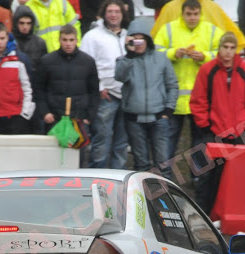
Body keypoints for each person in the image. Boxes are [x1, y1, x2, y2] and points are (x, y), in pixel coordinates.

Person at [190, 31, 245, 214]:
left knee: (240, 178)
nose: (228, 52)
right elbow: (198, 100)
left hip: (240, 133)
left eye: (232, 48)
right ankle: (205, 216)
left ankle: (235, 214)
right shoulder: (207, 70)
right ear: (219, 48)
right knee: (207, 178)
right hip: (213, 132)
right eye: (225, 47)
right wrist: (205, 125)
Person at [154, 0, 222, 160]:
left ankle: (197, 178)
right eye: (189, 14)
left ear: (200, 13)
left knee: (199, 141)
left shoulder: (212, 30)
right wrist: (173, 53)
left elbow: (223, 54)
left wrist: (204, 56)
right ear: (182, 14)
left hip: (200, 98)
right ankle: (165, 176)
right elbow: (155, 53)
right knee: (169, 140)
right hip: (174, 98)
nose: (192, 17)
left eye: (195, 14)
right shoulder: (168, 29)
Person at [114, 20, 178, 178]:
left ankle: (164, 199)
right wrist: (129, 55)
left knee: (164, 165)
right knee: (141, 165)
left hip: (159, 119)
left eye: (141, 39)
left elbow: (172, 85)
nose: (138, 43)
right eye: (134, 39)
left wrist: (168, 110)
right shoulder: (124, 60)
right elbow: (119, 77)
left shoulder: (161, 58)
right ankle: (142, 200)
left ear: (148, 39)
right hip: (134, 120)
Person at [35, 24, 99, 157]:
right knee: (52, 157)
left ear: (76, 40)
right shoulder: (47, 61)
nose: (68, 44)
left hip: (79, 119)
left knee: (78, 157)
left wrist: (89, 116)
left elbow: (94, 92)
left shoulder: (88, 62)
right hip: (54, 118)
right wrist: (45, 112)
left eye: (71, 40)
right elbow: (39, 89)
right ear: (59, 40)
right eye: (65, 40)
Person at [80, 0, 128, 170]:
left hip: (127, 98)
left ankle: (119, 180)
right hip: (105, 96)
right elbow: (85, 65)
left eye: (117, 11)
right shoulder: (92, 36)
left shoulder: (129, 36)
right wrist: (99, 88)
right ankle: (97, 179)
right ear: (104, 13)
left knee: (122, 143)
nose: (113, 15)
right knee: (102, 140)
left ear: (123, 14)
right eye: (110, 11)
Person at [12, 5, 46, 74]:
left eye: (28, 23)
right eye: (22, 23)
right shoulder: (8, 41)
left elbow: (43, 69)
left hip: (34, 80)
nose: (25, 27)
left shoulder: (40, 43)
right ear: (16, 23)